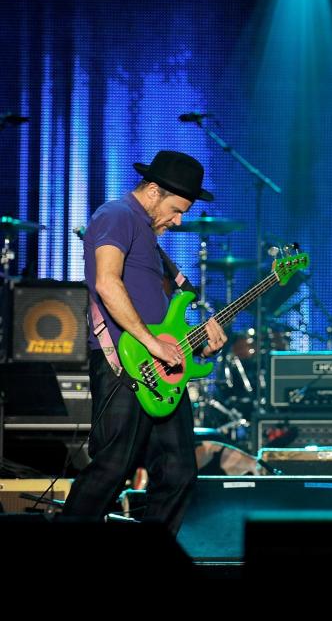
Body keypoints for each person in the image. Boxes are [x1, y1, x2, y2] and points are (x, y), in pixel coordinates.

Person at [61, 150, 227, 532]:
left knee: (179, 471)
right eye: (176, 209)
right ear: (153, 190)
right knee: (112, 467)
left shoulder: (149, 239)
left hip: (162, 369)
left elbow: (160, 318)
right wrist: (153, 344)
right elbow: (106, 282)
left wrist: (197, 340)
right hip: (126, 361)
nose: (178, 220)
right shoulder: (117, 215)